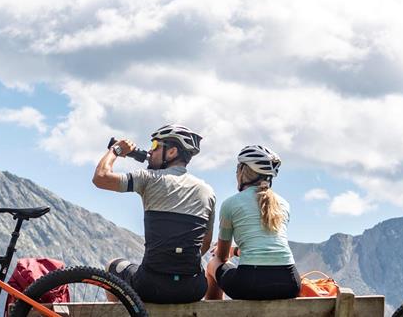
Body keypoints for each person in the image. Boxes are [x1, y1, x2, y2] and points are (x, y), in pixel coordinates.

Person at [92, 124, 216, 304]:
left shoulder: (148, 178)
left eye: (155, 146)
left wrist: (116, 149)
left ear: (172, 152)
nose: (150, 152)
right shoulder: (208, 191)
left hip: (151, 285)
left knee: (113, 266)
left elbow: (100, 177)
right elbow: (204, 243)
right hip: (193, 287)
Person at [205, 145, 299, 300]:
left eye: (237, 169)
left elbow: (221, 257)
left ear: (242, 171)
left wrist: (227, 252)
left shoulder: (231, 204)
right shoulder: (284, 204)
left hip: (251, 283)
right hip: (290, 282)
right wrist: (235, 251)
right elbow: (266, 248)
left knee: (212, 264)